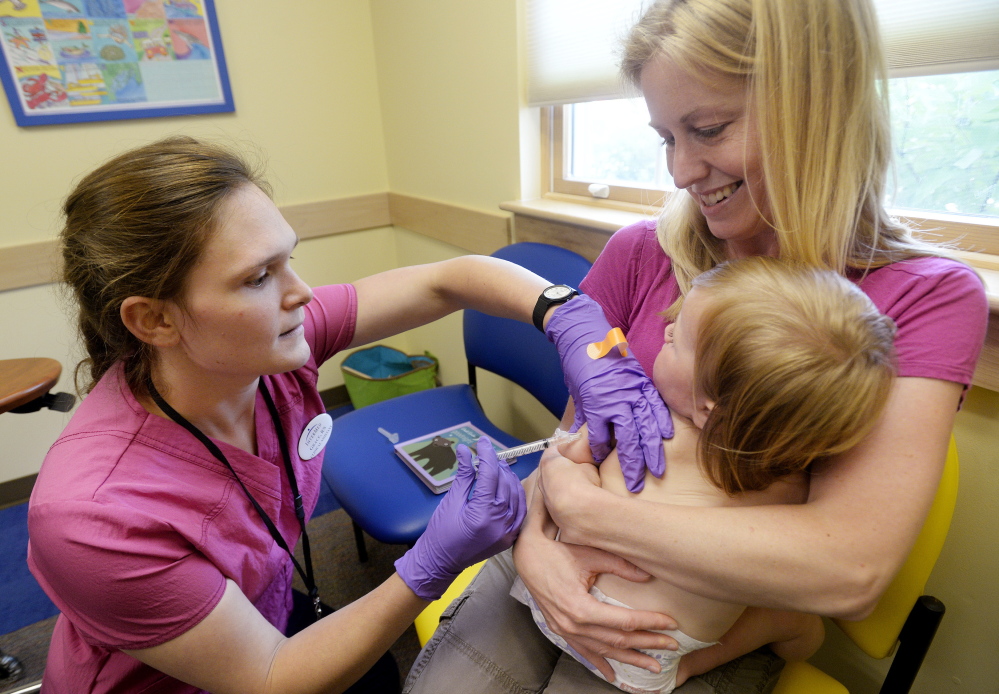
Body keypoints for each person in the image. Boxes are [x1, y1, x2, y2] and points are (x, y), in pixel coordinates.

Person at [403, 1, 989, 692]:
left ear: (817, 103)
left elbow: (847, 570)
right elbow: (573, 439)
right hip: (556, 548)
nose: (680, 171)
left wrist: (593, 515)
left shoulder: (924, 299)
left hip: (704, 615)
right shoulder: (637, 255)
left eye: (706, 129)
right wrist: (535, 550)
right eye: (664, 138)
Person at [25, 136, 670, 694]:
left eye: (289, 258)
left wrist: (566, 313)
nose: (301, 292)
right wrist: (431, 562)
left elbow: (446, 282)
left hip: (269, 612)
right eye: (258, 278)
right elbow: (271, 678)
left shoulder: (263, 347)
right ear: (154, 319)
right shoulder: (94, 518)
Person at [512, 257, 897, 694]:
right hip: (647, 665)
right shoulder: (792, 489)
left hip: (549, 603)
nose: (667, 331)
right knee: (784, 621)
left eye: (679, 340)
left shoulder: (644, 424)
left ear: (709, 407)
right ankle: (710, 658)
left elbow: (565, 453)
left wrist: (564, 468)